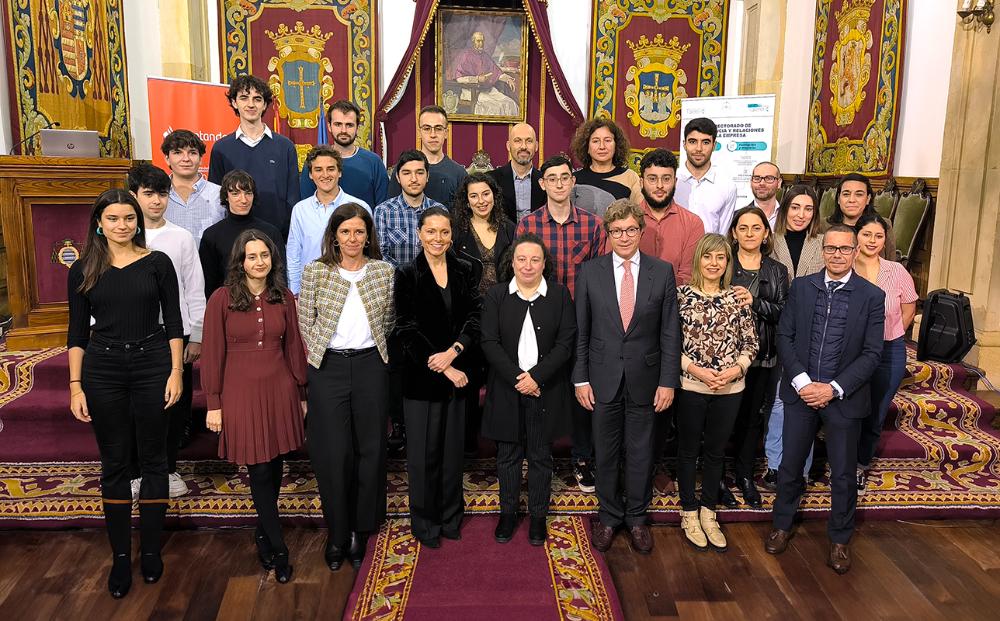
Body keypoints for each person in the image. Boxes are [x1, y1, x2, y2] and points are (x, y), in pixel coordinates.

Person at [67, 189, 184, 598]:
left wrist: (176, 372)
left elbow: (174, 322)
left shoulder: (158, 263)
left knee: (155, 461)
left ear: (138, 221)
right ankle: (120, 557)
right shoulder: (83, 268)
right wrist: (75, 385)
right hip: (104, 369)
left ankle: (150, 550)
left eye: (129, 218)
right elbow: (77, 333)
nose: (122, 225)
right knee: (115, 464)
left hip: (153, 363)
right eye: (113, 218)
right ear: (99, 222)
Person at [765, 224, 885, 575]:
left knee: (844, 474)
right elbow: (785, 336)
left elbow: (872, 353)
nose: (837, 255)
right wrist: (803, 382)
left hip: (844, 399)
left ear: (855, 251)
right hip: (801, 392)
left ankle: (839, 540)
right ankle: (782, 525)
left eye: (844, 249)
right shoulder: (802, 287)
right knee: (790, 466)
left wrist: (832, 388)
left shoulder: (871, 296)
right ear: (823, 252)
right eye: (831, 249)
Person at [573, 199, 681, 555]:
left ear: (641, 231)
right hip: (601, 379)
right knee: (604, 453)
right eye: (616, 230)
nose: (624, 236)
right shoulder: (589, 272)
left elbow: (669, 333)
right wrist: (581, 378)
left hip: (646, 381)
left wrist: (668, 381)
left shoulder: (661, 272)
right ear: (608, 233)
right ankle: (608, 517)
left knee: (640, 453)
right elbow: (582, 332)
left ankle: (636, 518)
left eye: (631, 229)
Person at [201, 229, 307, 584]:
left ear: (272, 260)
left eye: (264, 255)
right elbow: (213, 354)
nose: (259, 262)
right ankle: (279, 548)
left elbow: (294, 348)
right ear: (240, 262)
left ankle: (263, 531)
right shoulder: (222, 298)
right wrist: (213, 403)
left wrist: (303, 393)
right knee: (260, 469)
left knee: (275, 466)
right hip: (240, 392)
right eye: (252, 256)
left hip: (280, 389)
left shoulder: (284, 297)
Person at [298, 203, 395, 571]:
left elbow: (389, 321)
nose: (353, 238)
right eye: (345, 232)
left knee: (370, 448)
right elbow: (306, 322)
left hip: (372, 365)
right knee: (334, 452)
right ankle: (337, 531)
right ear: (334, 237)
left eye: (359, 231)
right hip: (329, 368)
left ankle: (360, 528)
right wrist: (326, 356)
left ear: (368, 235)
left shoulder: (383, 272)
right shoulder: (316, 273)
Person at [517, 154, 606, 493]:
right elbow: (523, 273)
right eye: (550, 178)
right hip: (540, 321)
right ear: (542, 184)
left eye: (563, 177)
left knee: (582, 390)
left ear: (572, 182)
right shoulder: (529, 226)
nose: (557, 183)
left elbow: (600, 277)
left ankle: (582, 457)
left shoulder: (592, 225)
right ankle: (537, 456)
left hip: (583, 320)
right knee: (540, 389)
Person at [394, 207, 482, 548]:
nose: (438, 239)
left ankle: (450, 517)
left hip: (460, 378)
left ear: (451, 235)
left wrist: (455, 352)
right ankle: (425, 521)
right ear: (419, 234)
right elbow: (406, 329)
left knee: (451, 454)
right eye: (431, 232)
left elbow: (474, 316)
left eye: (444, 232)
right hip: (422, 381)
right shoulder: (406, 274)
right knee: (423, 457)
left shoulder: (465, 269)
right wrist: (445, 366)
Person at [481, 233, 575, 545]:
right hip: (508, 390)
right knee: (507, 456)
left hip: (544, 391)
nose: (528, 265)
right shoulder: (496, 295)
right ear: (512, 262)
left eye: (535, 259)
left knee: (539, 456)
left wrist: (536, 378)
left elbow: (565, 343)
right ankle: (507, 514)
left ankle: (537, 517)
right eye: (522, 259)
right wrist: (519, 379)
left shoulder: (560, 295)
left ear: (544, 263)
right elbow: (489, 343)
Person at [674, 233, 758, 552]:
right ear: (699, 260)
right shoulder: (682, 296)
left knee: (715, 451)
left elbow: (751, 342)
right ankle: (689, 511)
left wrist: (735, 370)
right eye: (708, 257)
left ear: (727, 263)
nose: (713, 263)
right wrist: (697, 371)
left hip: (730, 387)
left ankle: (709, 512)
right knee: (688, 449)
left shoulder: (737, 297)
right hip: (692, 385)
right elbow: (671, 344)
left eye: (720, 258)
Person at [128, 163, 207, 499]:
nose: (157, 201)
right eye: (149, 194)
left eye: (162, 194)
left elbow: (194, 288)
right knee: (136, 407)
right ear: (135, 196)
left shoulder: (180, 237)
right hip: (133, 335)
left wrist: (198, 333)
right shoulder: (123, 237)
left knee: (175, 404)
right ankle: (135, 473)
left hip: (176, 334)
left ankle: (170, 467)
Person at [375, 150, 448, 453]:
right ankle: (400, 426)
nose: (414, 178)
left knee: (430, 359)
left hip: (434, 299)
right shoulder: (383, 211)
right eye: (407, 173)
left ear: (427, 176)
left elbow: (444, 251)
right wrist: (410, 281)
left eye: (420, 172)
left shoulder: (439, 210)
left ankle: (431, 423)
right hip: (396, 300)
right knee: (397, 366)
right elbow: (381, 256)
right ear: (398, 176)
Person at [761, 185, 824, 490]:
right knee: (777, 401)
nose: (801, 215)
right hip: (776, 330)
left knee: (806, 401)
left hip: (814, 332)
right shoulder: (771, 241)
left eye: (808, 209)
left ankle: (801, 467)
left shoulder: (824, 243)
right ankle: (774, 464)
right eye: (795, 207)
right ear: (784, 209)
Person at [725, 207, 788, 509]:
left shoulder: (777, 270)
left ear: (766, 234)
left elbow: (785, 314)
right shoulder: (722, 263)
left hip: (762, 356)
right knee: (724, 419)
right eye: (743, 227)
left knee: (751, 419)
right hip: (725, 357)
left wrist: (756, 303)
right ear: (734, 233)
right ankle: (720, 477)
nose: (750, 233)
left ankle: (744, 475)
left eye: (756, 227)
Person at [452, 173, 516, 455]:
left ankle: (502, 442)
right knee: (468, 381)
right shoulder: (455, 232)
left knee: (502, 381)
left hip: (504, 314)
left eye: (486, 194)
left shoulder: (510, 228)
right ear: (466, 201)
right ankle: (466, 445)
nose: (481, 201)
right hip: (469, 315)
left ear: (495, 196)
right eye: (474, 196)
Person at [853, 213, 917, 494]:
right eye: (867, 234)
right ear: (857, 235)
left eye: (879, 236)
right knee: (849, 410)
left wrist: (892, 335)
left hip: (888, 350)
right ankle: (840, 462)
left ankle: (860, 465)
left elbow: (908, 308)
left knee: (876, 412)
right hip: (851, 351)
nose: (872, 241)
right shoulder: (845, 266)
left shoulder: (896, 270)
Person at [208, 74, 300, 237]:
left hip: (277, 238)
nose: (251, 104)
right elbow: (217, 200)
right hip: (234, 239)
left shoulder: (285, 146)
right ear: (234, 102)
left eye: (257, 99)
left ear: (265, 105)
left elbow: (293, 199)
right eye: (244, 98)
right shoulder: (221, 148)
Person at [287, 146, 370, 295]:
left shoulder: (359, 207)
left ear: (340, 172)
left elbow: (370, 251)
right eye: (318, 170)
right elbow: (294, 255)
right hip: (310, 288)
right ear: (311, 174)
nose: (325, 175)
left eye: (331, 169)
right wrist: (295, 292)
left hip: (351, 289)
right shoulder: (300, 210)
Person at [199, 170, 283, 297]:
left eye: (248, 193)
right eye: (235, 193)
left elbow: (279, 274)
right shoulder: (212, 235)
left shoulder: (271, 232)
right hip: (228, 305)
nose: (243, 200)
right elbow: (209, 282)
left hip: (267, 302)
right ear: (226, 196)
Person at [298, 100, 389, 210]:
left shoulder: (374, 162)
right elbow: (307, 205)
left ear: (357, 128)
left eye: (349, 125)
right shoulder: (315, 161)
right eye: (338, 124)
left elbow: (383, 207)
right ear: (329, 126)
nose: (343, 130)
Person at [634, 148, 704, 286]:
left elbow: (688, 276)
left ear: (675, 181)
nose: (659, 185)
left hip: (676, 302)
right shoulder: (625, 221)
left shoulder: (693, 223)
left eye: (666, 179)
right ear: (641, 182)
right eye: (652, 179)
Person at [387, 106, 467, 206]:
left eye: (438, 128)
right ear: (419, 132)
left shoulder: (459, 173)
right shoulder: (403, 169)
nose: (433, 134)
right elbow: (391, 207)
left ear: (446, 133)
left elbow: (463, 214)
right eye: (427, 128)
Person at [161, 129, 225, 247]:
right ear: (167, 159)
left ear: (201, 159)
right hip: (167, 264)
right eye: (178, 152)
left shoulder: (219, 194)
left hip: (211, 264)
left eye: (192, 152)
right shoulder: (158, 196)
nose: (186, 159)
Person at [674, 117, 738, 235]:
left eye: (705, 142)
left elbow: (722, 235)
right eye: (693, 141)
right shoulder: (671, 181)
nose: (699, 148)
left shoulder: (727, 187)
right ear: (684, 144)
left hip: (709, 252)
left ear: (714, 145)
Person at [570, 118, 643, 217]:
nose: (602, 146)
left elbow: (639, 215)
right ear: (586, 146)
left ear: (616, 145)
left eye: (607, 140)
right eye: (595, 141)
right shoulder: (573, 179)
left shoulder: (630, 177)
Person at [450, 31, 519, 117]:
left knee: (510, 103)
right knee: (495, 108)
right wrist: (477, 79)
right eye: (478, 41)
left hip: (488, 90)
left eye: (482, 41)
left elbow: (496, 72)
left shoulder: (485, 56)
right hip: (471, 91)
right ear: (473, 42)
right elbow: (459, 78)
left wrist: (508, 79)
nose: (481, 43)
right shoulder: (466, 56)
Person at [827, 173, 896, 260]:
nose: (852, 200)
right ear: (838, 199)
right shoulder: (823, 226)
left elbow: (891, 262)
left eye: (859, 194)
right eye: (846, 194)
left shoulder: (883, 225)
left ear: (868, 199)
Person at [488, 122, 546, 221]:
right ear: (508, 145)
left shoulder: (547, 181)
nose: (523, 146)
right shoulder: (491, 180)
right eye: (518, 141)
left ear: (536, 146)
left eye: (529, 141)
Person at [747, 161, 783, 231]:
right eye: (757, 178)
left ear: (779, 183)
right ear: (751, 182)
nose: (762, 183)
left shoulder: (788, 216)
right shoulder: (737, 216)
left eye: (769, 178)